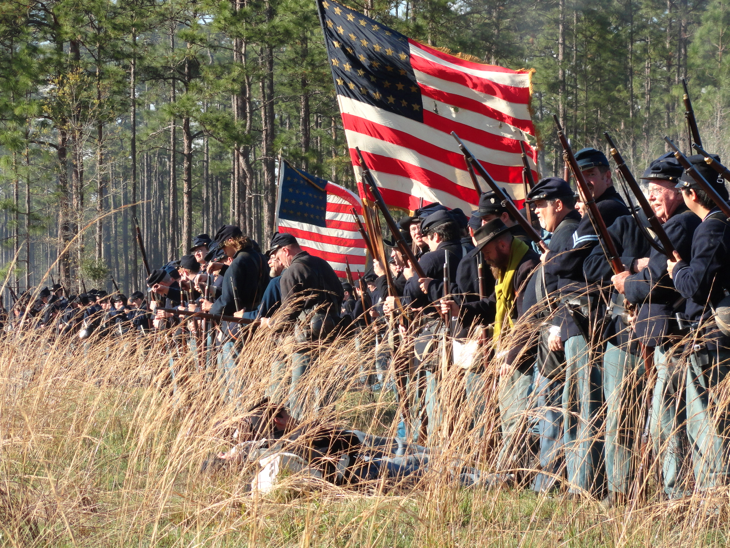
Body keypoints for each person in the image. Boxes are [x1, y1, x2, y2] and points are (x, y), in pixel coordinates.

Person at [544, 147, 630, 498]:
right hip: (584, 320)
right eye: (582, 176)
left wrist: (560, 252)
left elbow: (566, 263)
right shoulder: (592, 212)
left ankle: (587, 486)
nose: (587, 181)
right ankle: (581, 484)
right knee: (578, 404)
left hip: (593, 320)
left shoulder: (607, 208)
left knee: (586, 406)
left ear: (608, 176)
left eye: (593, 173)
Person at [613, 154, 699, 500]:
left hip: (673, 335)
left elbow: (656, 282)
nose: (649, 195)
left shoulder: (679, 226)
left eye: (656, 188)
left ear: (678, 191)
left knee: (669, 421)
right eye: (647, 189)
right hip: (665, 333)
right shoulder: (676, 225)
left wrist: (625, 284)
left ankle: (675, 495)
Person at [667, 153, 730, 492]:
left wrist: (677, 270)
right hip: (717, 335)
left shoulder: (713, 227)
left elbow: (696, 286)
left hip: (711, 338)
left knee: (709, 423)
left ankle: (715, 497)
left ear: (691, 194)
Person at [523, 177, 581, 493]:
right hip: (553, 334)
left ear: (558, 204)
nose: (537, 214)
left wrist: (558, 322)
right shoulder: (560, 234)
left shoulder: (566, 233)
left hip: (557, 336)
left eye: (541, 206)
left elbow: (567, 286)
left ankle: (549, 483)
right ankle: (547, 481)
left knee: (556, 411)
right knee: (552, 409)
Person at [262, 232, 344, 420]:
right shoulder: (323, 265)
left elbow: (287, 315)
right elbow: (340, 295)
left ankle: (299, 432)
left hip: (305, 339)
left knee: (300, 389)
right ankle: (326, 428)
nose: (277, 259)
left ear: (285, 250)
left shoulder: (291, 273)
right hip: (331, 334)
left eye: (277, 254)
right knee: (325, 388)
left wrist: (269, 323)